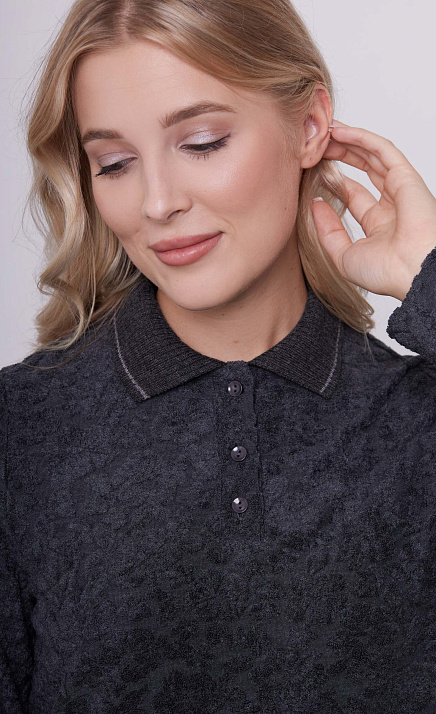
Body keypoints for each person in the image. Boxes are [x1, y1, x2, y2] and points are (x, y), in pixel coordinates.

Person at [1, 0, 435, 711]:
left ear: (310, 126)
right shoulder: (21, 429)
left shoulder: (418, 422)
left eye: (201, 143)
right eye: (114, 163)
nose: (157, 202)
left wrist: (427, 276)